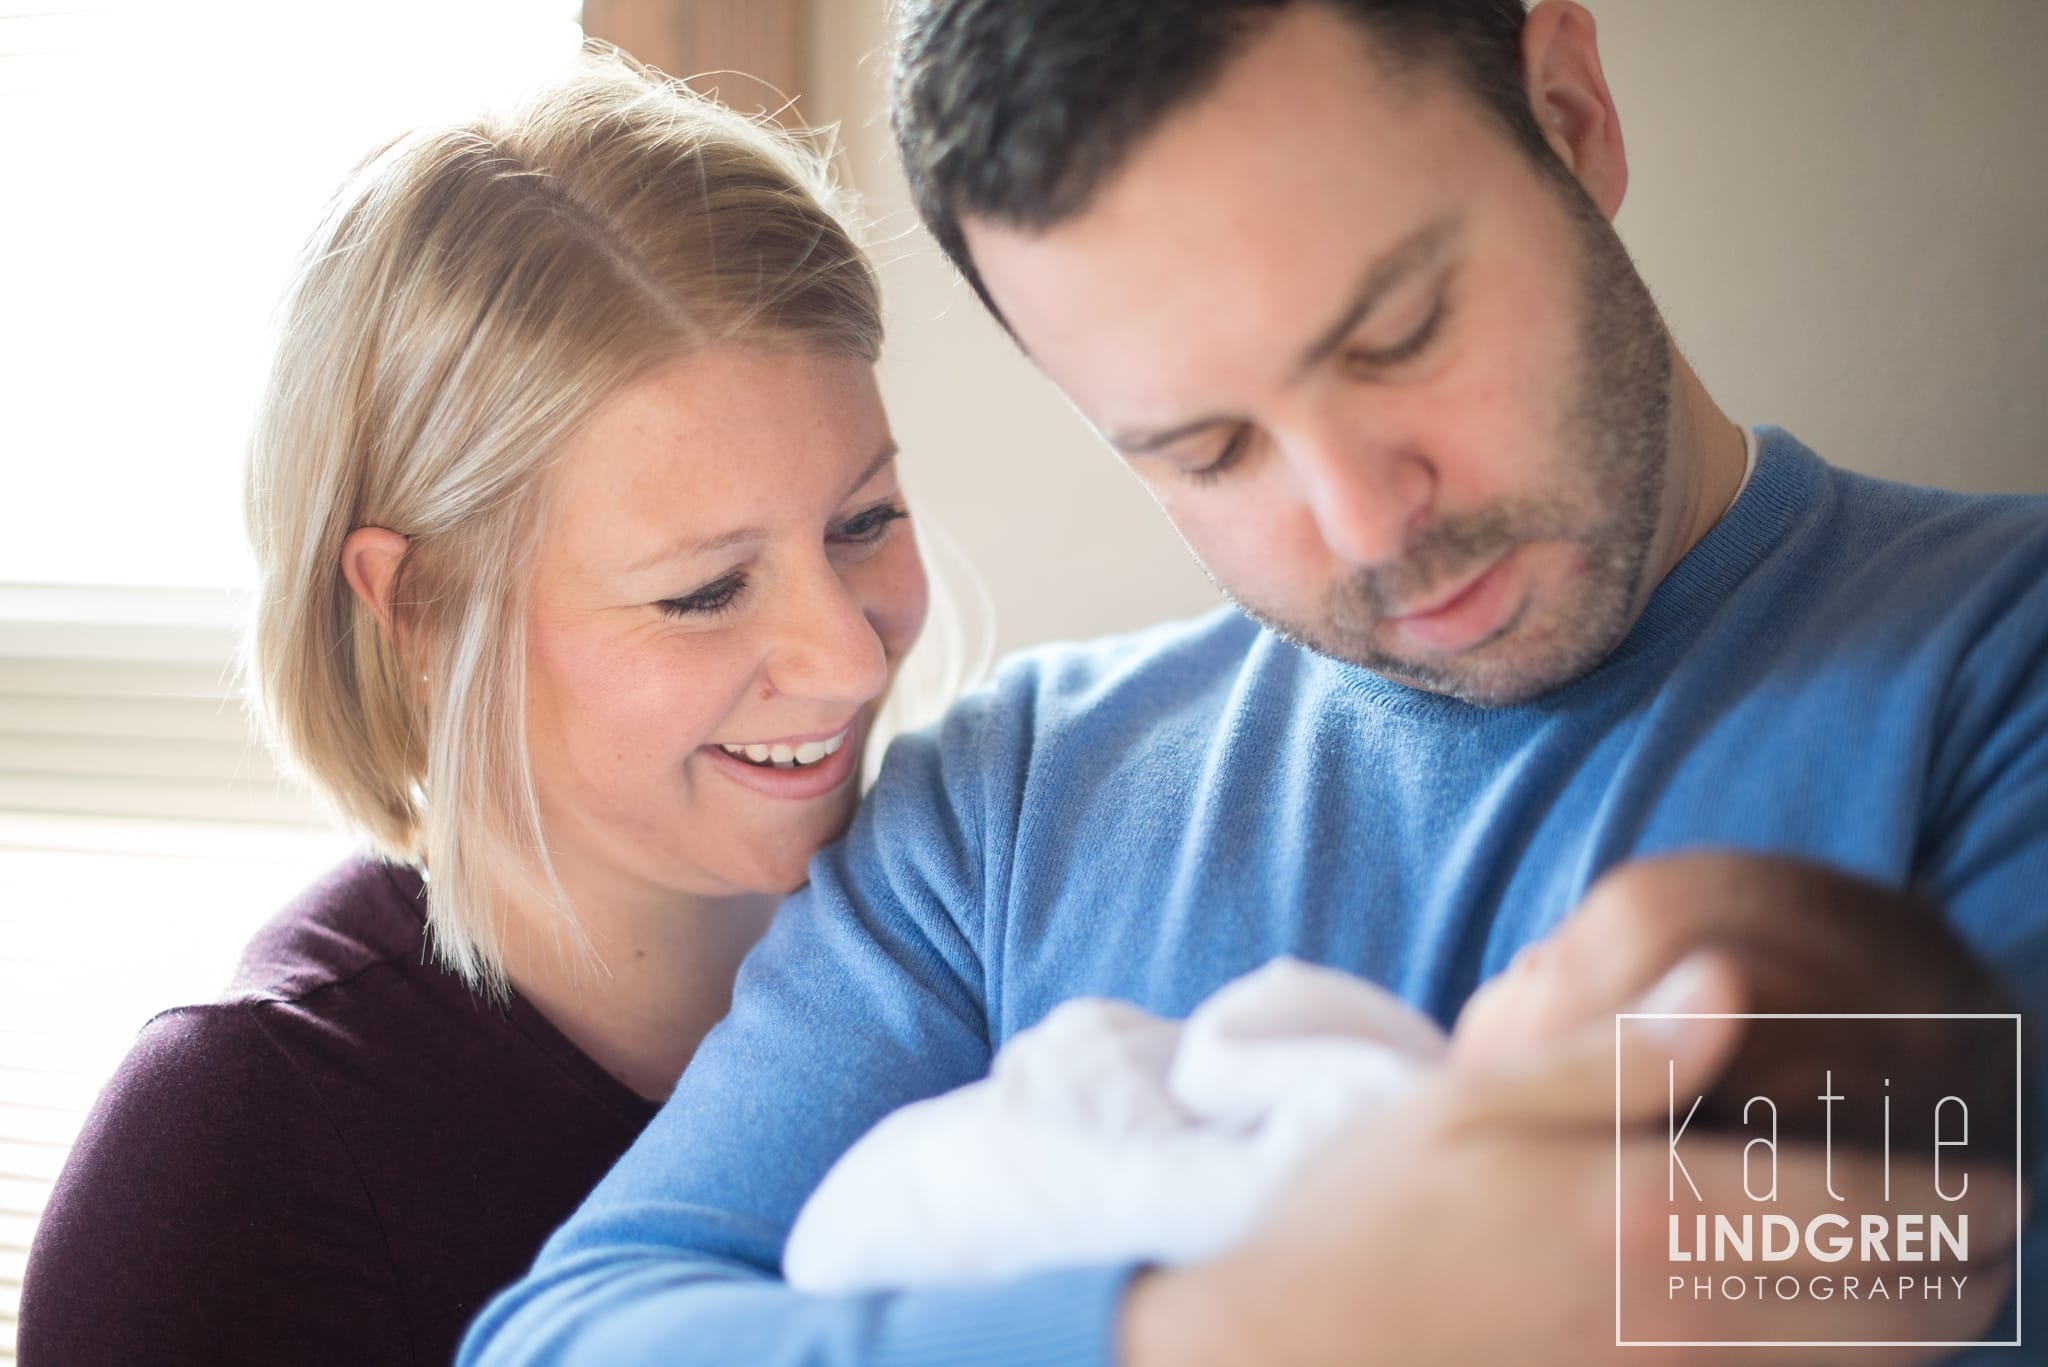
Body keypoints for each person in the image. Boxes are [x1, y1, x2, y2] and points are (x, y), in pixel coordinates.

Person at [461, 3, 2048, 1364]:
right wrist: (1233, 1323)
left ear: (1570, 115)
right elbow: (578, 1329)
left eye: (1400, 335)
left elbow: (1966, 1275)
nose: (1369, 518)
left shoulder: (1998, 670)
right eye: (1207, 450)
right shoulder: (1005, 808)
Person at [17, 54, 942, 1367]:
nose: (847, 656)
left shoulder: (979, 951)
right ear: (422, 612)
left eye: (864, 521)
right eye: (707, 588)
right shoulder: (235, 1158)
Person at [780, 854, 2028, 1295]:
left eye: (1564, 955)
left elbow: (1240, 1033)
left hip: (904, 1235)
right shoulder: (982, 800)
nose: (1528, 945)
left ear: (1635, 1078)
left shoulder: (1386, 1112)